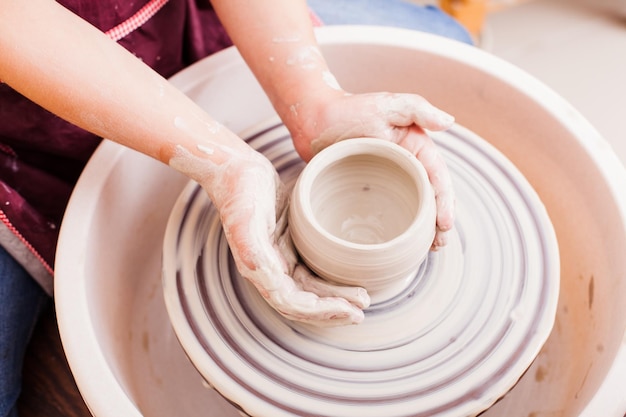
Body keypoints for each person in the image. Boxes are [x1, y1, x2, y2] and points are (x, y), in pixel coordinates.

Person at [0, 0, 471, 415]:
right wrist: (223, 163)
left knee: (451, 45)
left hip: (172, 25)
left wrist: (312, 99)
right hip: (17, 127)